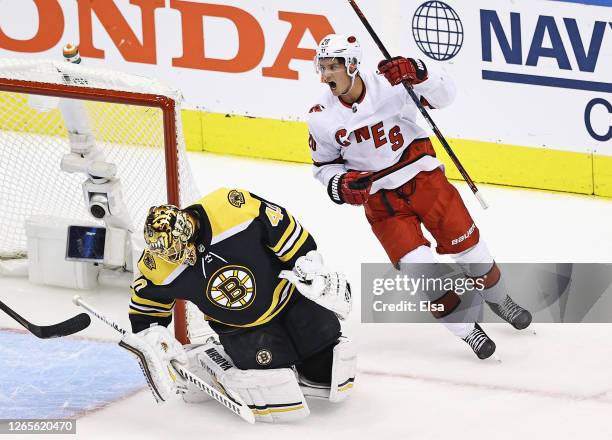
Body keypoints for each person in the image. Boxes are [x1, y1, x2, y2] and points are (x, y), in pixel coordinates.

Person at [306, 34, 532, 360]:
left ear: (352, 65)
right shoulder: (320, 116)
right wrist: (339, 185)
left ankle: (499, 298)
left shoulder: (390, 83)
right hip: (383, 204)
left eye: (332, 67)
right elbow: (324, 167)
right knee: (420, 270)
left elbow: (446, 97)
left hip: (424, 181)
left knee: (470, 249)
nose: (325, 75)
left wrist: (420, 71)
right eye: (322, 67)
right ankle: (467, 330)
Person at [122, 188, 356, 423]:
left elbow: (282, 226)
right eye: (166, 254)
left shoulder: (231, 207)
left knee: (329, 369)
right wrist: (153, 336)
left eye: (175, 250)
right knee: (275, 390)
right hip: (242, 329)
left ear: (187, 230)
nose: (173, 259)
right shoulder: (155, 265)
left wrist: (307, 263)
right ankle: (209, 360)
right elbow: (146, 309)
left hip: (290, 299)